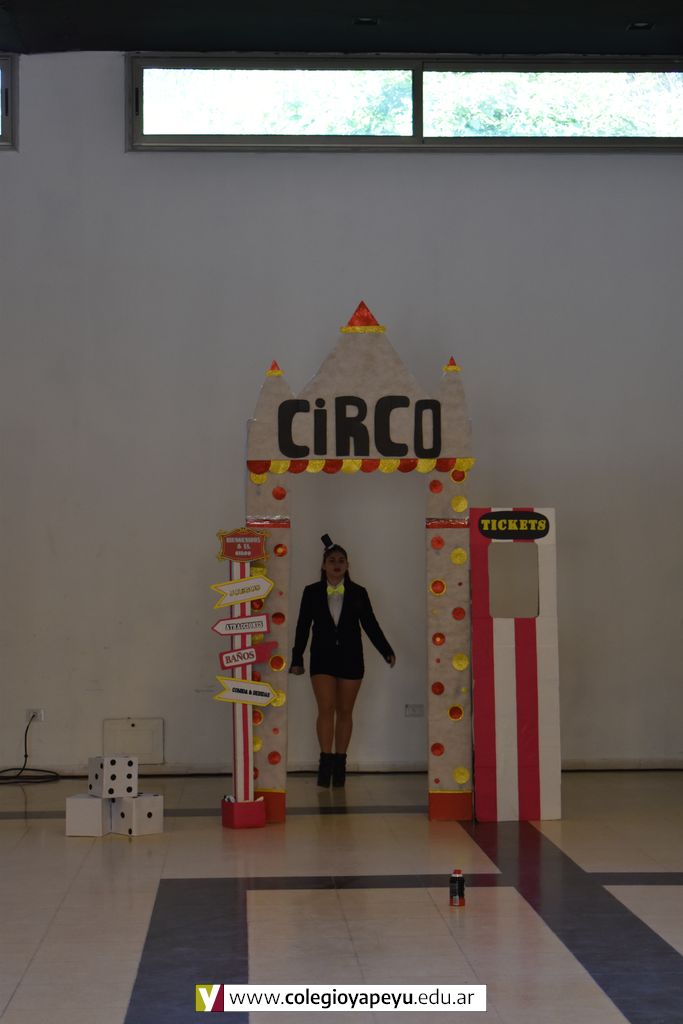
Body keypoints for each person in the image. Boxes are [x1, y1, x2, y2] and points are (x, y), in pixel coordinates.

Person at [290, 536, 396, 787]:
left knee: (345, 711)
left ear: (348, 565)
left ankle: (340, 765)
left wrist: (385, 650)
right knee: (326, 708)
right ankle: (325, 764)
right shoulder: (311, 592)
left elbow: (370, 625)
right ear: (323, 565)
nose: (336, 564)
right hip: (322, 657)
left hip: (351, 658)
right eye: (332, 560)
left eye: (341, 560)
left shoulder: (359, 592)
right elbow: (302, 626)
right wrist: (297, 657)